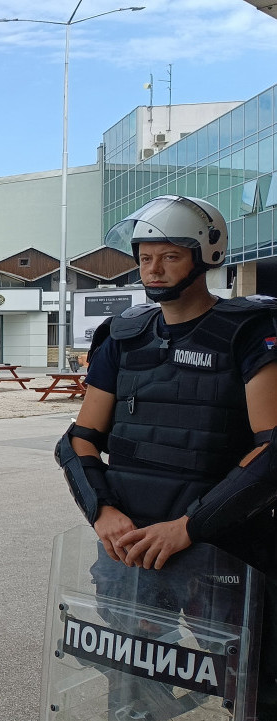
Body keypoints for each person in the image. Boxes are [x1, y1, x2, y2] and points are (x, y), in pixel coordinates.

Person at [55, 195, 277, 718]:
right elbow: (79, 439)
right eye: (144, 257)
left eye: (170, 256)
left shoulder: (249, 332)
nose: (153, 270)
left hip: (225, 547)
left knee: (253, 685)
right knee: (132, 680)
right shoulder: (124, 337)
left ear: (206, 256)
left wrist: (187, 527)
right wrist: (103, 513)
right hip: (131, 548)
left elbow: (273, 450)